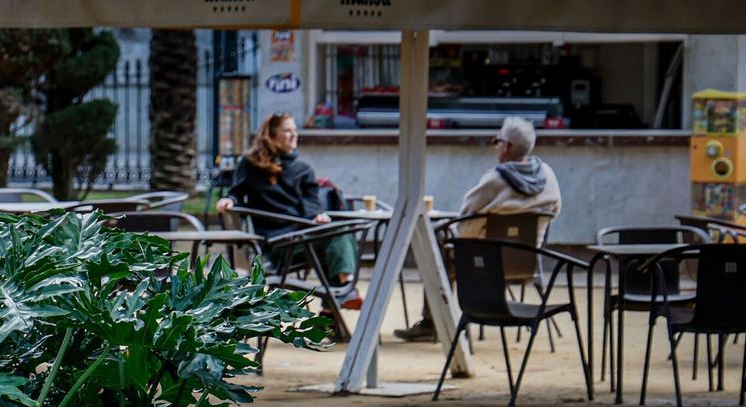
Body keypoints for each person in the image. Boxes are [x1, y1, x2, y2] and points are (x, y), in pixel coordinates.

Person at [395, 116, 562, 342]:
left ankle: (432, 322)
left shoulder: (494, 180)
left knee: (435, 245)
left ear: (508, 146)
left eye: (497, 141)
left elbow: (465, 225)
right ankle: (433, 322)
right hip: (528, 260)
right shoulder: (549, 176)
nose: (496, 146)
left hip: (484, 262)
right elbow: (555, 212)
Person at [216, 112, 362, 310]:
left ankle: (339, 297)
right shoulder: (251, 164)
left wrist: (317, 216)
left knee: (338, 233)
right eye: (287, 130)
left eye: (295, 130)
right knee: (336, 238)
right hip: (277, 244)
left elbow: (312, 205)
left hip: (302, 237)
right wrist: (229, 200)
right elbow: (237, 193)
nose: (294, 134)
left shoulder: (303, 169)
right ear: (272, 135)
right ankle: (344, 291)